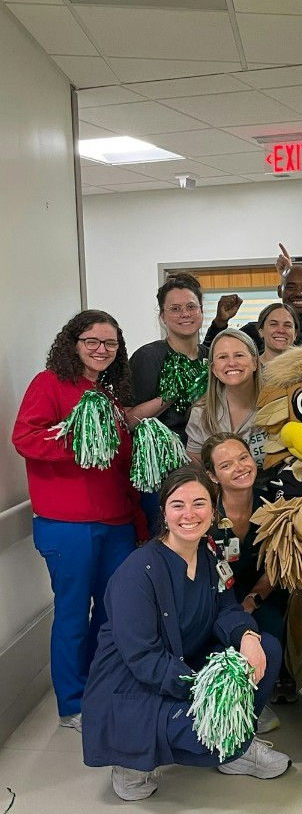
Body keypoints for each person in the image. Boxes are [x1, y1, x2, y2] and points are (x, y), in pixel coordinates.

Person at [81, 468, 290, 801]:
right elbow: (144, 659)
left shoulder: (208, 556)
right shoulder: (137, 573)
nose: (189, 514)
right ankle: (131, 764)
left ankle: (236, 750)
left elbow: (227, 609)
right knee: (216, 734)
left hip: (185, 663)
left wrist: (248, 637)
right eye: (178, 505)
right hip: (136, 687)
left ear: (213, 510)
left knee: (269, 649)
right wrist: (208, 693)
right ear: (163, 512)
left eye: (199, 503)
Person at [13, 309, 146, 733]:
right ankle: (72, 702)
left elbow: (122, 465)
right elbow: (26, 438)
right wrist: (81, 441)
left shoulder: (107, 394)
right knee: (72, 614)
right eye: (92, 341)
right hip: (67, 525)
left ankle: (98, 685)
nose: (101, 350)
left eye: (109, 343)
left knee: (111, 614)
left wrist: (139, 525)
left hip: (117, 523)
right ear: (74, 343)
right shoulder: (49, 384)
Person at [202, 432, 293, 725]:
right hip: (214, 593)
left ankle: (258, 695)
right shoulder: (204, 512)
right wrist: (232, 609)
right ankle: (223, 698)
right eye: (226, 465)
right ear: (212, 476)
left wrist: (252, 601)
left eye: (243, 458)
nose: (240, 467)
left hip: (259, 590)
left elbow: (278, 563)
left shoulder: (273, 502)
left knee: (269, 626)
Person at [127, 272, 207, 441]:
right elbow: (127, 421)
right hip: (165, 456)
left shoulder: (211, 354)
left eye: (191, 307)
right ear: (163, 316)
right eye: (175, 309)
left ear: (201, 311)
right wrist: (173, 393)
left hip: (210, 453)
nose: (185, 314)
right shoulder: (147, 357)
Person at [204, 264, 302, 350]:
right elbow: (212, 357)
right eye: (291, 287)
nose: (299, 293)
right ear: (279, 291)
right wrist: (219, 323)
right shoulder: (253, 332)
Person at [186, 329, 266, 468]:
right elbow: (197, 469)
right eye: (223, 357)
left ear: (255, 362)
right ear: (213, 369)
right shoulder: (201, 413)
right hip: (220, 489)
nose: (232, 363)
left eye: (239, 355)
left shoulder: (279, 403)